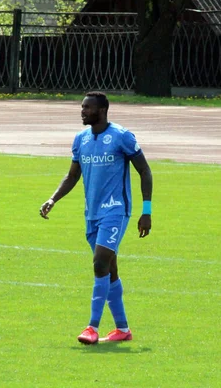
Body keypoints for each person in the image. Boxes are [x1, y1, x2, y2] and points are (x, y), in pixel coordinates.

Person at [39, 91, 153, 344]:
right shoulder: (81, 139)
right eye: (81, 107)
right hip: (92, 214)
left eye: (87, 108)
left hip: (116, 210)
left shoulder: (122, 136)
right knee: (109, 270)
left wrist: (147, 211)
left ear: (102, 111)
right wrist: (52, 199)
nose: (82, 111)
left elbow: (144, 170)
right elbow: (72, 176)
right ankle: (122, 329)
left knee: (100, 263)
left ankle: (92, 327)